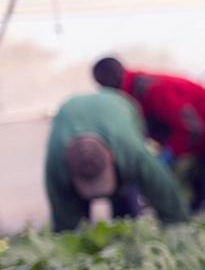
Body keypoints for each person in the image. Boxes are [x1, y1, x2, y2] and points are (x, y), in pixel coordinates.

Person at [91, 57, 205, 211]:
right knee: (196, 191)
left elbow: (191, 128)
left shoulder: (153, 89)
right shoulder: (131, 96)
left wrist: (170, 154)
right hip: (199, 137)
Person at [45, 92, 190, 232]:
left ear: (111, 155)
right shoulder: (55, 166)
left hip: (119, 103)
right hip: (69, 111)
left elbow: (169, 201)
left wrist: (177, 229)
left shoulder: (132, 151)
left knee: (125, 205)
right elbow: (64, 226)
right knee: (76, 217)